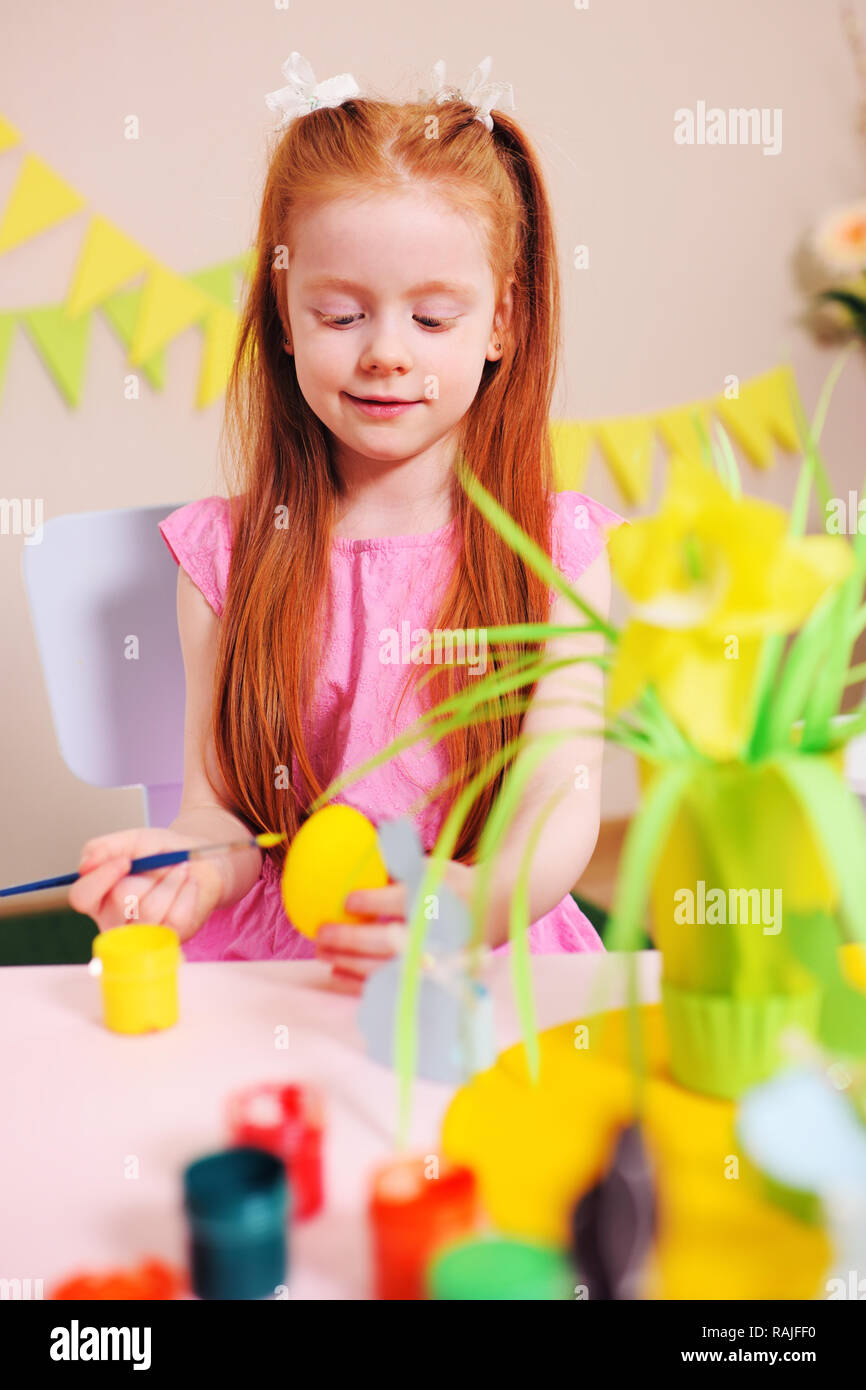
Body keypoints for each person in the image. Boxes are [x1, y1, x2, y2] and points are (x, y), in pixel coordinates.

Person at [69, 54, 625, 985]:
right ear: (283, 315)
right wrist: (191, 867)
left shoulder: (556, 551)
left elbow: (554, 808)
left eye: (434, 320)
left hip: (480, 940)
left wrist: (474, 904)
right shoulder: (225, 555)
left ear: (503, 324)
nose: (385, 356)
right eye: (340, 314)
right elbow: (222, 818)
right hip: (284, 956)